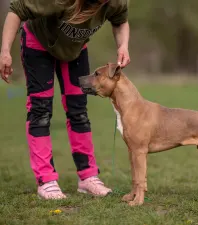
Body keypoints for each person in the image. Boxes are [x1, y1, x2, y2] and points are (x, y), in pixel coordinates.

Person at [0, 0, 130, 200]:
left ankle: (88, 177)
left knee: (79, 111)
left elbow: (120, 20)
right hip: (38, 43)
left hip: (75, 51)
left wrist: (123, 46)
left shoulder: (115, 1)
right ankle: (46, 180)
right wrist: (5, 51)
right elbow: (16, 10)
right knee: (40, 111)